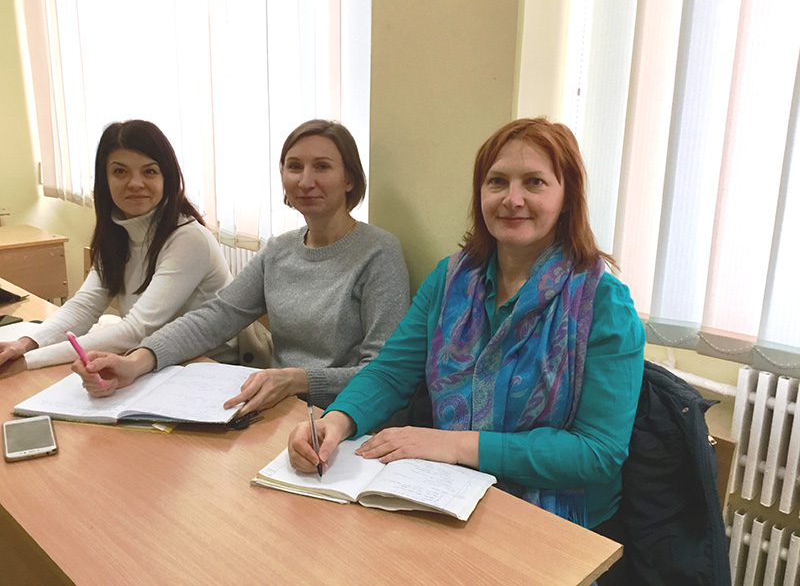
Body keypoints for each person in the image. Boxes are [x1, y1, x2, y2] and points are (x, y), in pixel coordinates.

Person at [288, 118, 645, 538]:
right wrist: (337, 421)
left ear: (567, 198)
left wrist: (457, 445)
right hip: (448, 492)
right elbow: (390, 372)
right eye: (497, 182)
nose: (512, 199)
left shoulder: (605, 304)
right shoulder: (449, 279)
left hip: (557, 521)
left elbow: (598, 452)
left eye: (534, 183)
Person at [72, 119, 411, 412]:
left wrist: (299, 380)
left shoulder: (378, 252)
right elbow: (215, 317)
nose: (305, 181)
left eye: (322, 167)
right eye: (294, 167)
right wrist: (137, 361)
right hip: (279, 408)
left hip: (348, 417)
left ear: (349, 179)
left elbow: (384, 371)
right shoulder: (278, 251)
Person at [0, 120, 236, 374]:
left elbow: (138, 330)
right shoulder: (118, 232)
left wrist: (29, 361)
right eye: (120, 172)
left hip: (206, 369)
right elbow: (84, 306)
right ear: (105, 179)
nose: (135, 183)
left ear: (167, 178)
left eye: (149, 171)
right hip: (152, 361)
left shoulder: (188, 239)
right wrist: (25, 344)